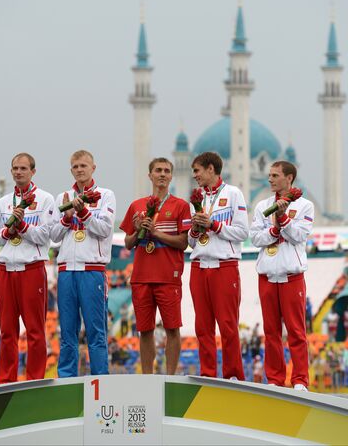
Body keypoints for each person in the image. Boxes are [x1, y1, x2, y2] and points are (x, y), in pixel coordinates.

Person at [120, 157, 191, 374]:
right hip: (141, 276)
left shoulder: (181, 205)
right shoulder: (136, 206)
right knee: (145, 330)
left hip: (168, 276)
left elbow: (183, 242)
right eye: (158, 170)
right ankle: (147, 377)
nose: (162, 174)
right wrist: (137, 230)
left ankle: (170, 377)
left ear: (171, 176)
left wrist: (155, 233)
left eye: (166, 171)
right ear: (149, 175)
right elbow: (128, 243)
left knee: (172, 328)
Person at [0, 153, 54, 383]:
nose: (18, 172)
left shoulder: (45, 199)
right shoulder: (3, 202)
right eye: (15, 168)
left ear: (33, 171)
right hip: (5, 270)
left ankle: (35, 379)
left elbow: (46, 235)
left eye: (23, 168)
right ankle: (6, 380)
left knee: (35, 331)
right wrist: (9, 231)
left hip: (31, 269)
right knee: (7, 331)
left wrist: (22, 226)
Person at [250, 160, 314, 392]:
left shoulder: (305, 206)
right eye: (269, 175)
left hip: (291, 276)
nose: (270, 179)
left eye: (275, 175)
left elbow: (299, 236)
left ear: (289, 178)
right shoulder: (261, 206)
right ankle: (275, 380)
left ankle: (299, 380)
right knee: (271, 332)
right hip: (267, 276)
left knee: (296, 331)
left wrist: (284, 218)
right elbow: (255, 238)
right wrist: (275, 230)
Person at [51, 150, 116, 377]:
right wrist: (68, 217)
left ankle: (100, 379)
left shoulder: (105, 195)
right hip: (67, 270)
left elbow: (105, 230)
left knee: (96, 331)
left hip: (92, 270)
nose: (79, 170)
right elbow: (54, 236)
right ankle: (67, 379)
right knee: (67, 332)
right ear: (71, 170)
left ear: (93, 168)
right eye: (75, 166)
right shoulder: (63, 198)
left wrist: (84, 212)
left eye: (83, 166)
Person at [188, 152, 248, 380]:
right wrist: (196, 229)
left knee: (228, 325)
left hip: (225, 266)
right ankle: (208, 374)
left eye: (197, 171)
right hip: (199, 266)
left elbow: (243, 232)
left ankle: (233, 375)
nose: (195, 176)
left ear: (211, 169)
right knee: (202, 327)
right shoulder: (196, 199)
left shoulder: (233, 193)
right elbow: (191, 241)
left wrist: (213, 224)